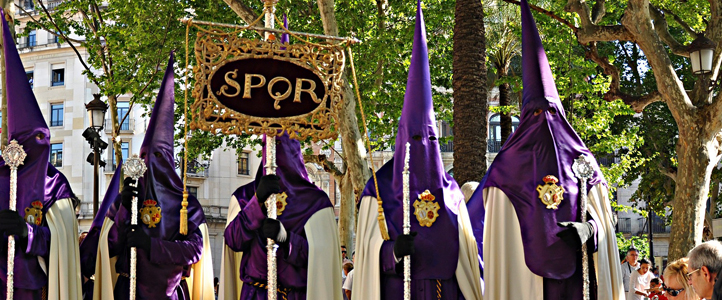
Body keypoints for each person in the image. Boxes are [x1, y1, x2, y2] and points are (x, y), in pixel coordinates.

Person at [464, 1, 624, 299]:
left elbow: (607, 221)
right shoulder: (506, 167)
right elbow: (493, 234)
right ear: (525, 116)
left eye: (550, 112)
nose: (544, 121)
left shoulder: (583, 160)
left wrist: (591, 231)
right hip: (526, 284)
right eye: (536, 114)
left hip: (580, 282)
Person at [351, 4, 482, 300]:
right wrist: (391, 252)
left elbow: (468, 262)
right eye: (413, 137)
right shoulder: (379, 189)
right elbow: (367, 255)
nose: (421, 144)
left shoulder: (451, 193)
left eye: (429, 138)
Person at [0, 10, 82, 299]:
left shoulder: (55, 186)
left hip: (34, 292)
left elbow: (63, 246)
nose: (40, 150)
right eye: (34, 141)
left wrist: (28, 233)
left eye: (44, 142)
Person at [219, 17, 342, 300]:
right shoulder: (244, 195)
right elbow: (233, 241)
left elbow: (322, 260)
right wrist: (256, 205)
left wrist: (287, 240)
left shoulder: (316, 202)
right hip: (255, 293)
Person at [80, 52, 214, 300]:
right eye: (146, 158)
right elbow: (106, 246)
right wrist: (124, 210)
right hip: (128, 292)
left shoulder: (187, 205)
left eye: (159, 159)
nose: (152, 166)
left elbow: (195, 251)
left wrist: (150, 245)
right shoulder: (128, 199)